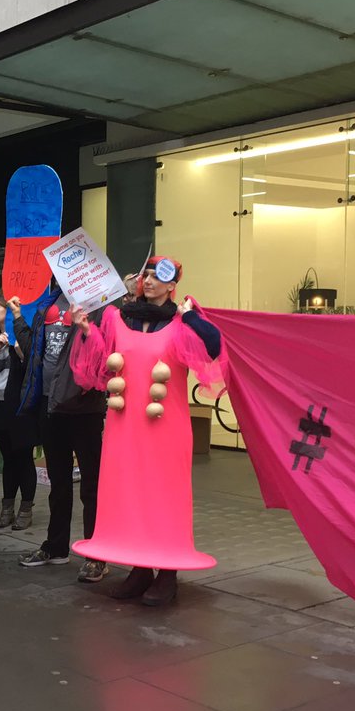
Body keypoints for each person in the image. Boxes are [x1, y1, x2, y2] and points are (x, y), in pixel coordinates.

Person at [71, 256, 224, 606]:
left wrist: (192, 317)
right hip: (124, 426)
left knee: (164, 498)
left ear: (173, 286)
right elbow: (99, 363)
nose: (150, 281)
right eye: (147, 275)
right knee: (129, 495)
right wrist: (84, 330)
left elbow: (214, 349)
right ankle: (139, 571)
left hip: (165, 427)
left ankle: (166, 573)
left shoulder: (182, 321)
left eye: (159, 277)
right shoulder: (118, 318)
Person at [13, 291, 108, 583]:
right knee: (59, 482)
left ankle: (97, 554)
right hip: (49, 404)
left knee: (91, 486)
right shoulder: (47, 306)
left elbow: (106, 355)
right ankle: (56, 546)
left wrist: (87, 327)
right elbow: (34, 353)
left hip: (85, 407)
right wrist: (18, 320)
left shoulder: (101, 307)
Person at [0, 297, 38, 530]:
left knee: (23, 458)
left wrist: (18, 352)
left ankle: (25, 508)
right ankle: (7, 507)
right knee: (7, 459)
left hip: (20, 406)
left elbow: (33, 367)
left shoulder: (22, 335)